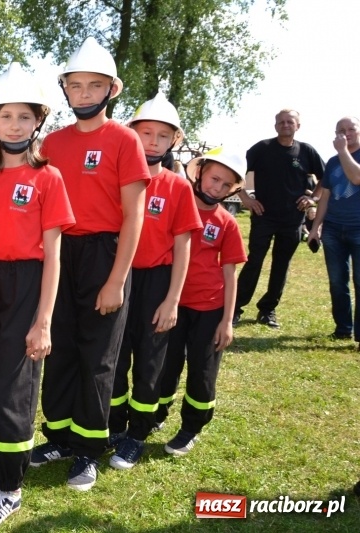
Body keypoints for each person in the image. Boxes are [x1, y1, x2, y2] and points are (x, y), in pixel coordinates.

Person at [29, 37, 150, 492]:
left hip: (105, 253)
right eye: (75, 85)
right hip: (59, 252)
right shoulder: (52, 144)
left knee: (98, 357)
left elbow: (134, 214)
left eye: (93, 85)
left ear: (111, 90)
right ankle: (58, 436)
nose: (83, 93)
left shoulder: (125, 141)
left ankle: (87, 449)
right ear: (64, 89)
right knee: (58, 348)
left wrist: (117, 279)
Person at [0, 62, 74, 529]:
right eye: (5, 116)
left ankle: (11, 487)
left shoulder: (49, 178)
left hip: (25, 285)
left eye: (24, 117)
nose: (15, 125)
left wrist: (43, 319)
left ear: (38, 123)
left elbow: (53, 255)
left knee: (14, 388)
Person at [108, 93, 202, 470]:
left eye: (163, 136)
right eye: (145, 132)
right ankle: (114, 426)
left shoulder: (178, 188)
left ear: (174, 141)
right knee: (113, 356)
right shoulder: (115, 178)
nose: (152, 142)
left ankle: (137, 434)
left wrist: (172, 300)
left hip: (156, 281)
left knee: (149, 361)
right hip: (118, 274)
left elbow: (184, 248)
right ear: (131, 133)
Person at [155, 147, 247, 456]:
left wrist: (227, 321)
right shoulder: (175, 206)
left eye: (226, 185)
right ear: (200, 173)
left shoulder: (226, 223)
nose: (217, 188)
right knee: (165, 366)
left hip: (209, 310)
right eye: (214, 179)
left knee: (202, 371)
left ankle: (191, 427)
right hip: (173, 304)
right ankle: (156, 413)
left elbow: (230, 274)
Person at [233, 109, 325, 329]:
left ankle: (267, 310)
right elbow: (236, 170)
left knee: (281, 265)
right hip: (263, 216)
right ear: (275, 126)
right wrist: (245, 198)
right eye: (281, 122)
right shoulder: (262, 148)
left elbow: (325, 177)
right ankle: (235, 307)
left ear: (297, 126)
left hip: (292, 219)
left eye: (290, 121)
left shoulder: (306, 151)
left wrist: (313, 197)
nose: (285, 125)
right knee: (253, 262)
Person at [308, 117, 360, 345]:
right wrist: (315, 227)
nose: (346, 133)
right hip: (333, 230)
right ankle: (343, 328)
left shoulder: (344, 156)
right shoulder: (331, 162)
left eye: (351, 129)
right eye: (341, 130)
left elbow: (356, 177)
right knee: (337, 282)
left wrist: (342, 151)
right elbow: (325, 196)